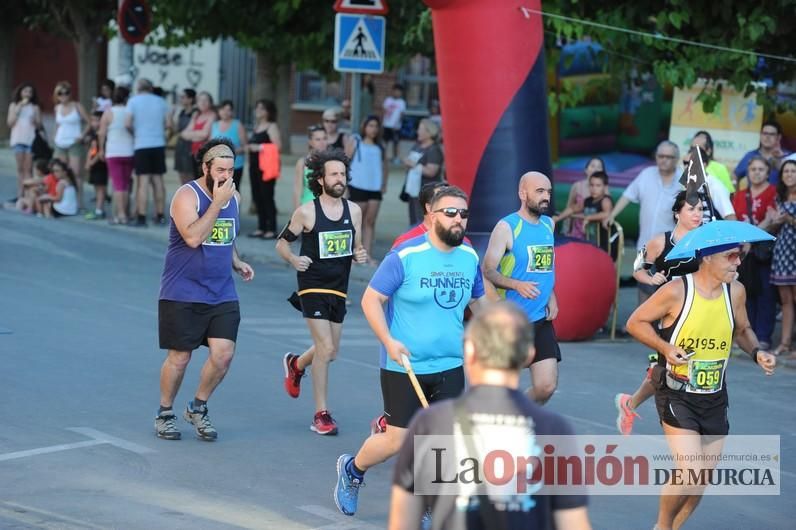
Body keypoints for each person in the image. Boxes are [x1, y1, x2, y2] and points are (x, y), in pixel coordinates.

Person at [333, 185, 487, 517]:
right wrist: (389, 341)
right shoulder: (405, 256)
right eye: (450, 213)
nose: (458, 219)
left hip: (450, 363)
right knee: (397, 440)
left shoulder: (469, 257)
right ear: (431, 216)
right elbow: (371, 300)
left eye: (463, 213)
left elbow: (481, 301)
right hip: (404, 364)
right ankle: (353, 470)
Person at [389, 301, 591, 530]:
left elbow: (402, 522)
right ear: (529, 355)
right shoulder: (554, 430)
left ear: (469, 351)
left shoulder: (431, 423)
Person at [626, 241, 776, 530]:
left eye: (739, 256)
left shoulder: (736, 292)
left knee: (702, 476)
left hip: (715, 396)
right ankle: (662, 526)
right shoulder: (677, 291)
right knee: (689, 468)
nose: (737, 262)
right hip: (677, 392)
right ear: (707, 258)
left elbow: (742, 329)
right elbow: (635, 322)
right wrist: (665, 347)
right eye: (730, 256)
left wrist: (758, 353)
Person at [155, 138, 254, 441]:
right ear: (206, 168)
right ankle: (165, 412)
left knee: (223, 355)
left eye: (230, 169)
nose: (226, 175)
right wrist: (216, 203)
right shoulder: (187, 197)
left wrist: (236, 260)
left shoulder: (233, 198)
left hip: (221, 290)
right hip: (182, 291)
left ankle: (198, 406)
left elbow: (227, 235)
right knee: (180, 357)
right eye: (220, 169)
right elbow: (194, 238)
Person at [277, 149, 367, 435]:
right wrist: (293, 259)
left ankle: (296, 364)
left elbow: (356, 246)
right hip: (312, 285)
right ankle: (321, 414)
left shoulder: (354, 211)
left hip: (339, 289)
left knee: (331, 351)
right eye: (334, 174)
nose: (340, 179)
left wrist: (359, 254)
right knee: (326, 349)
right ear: (320, 179)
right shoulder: (306, 212)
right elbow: (282, 243)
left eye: (343, 174)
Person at [615, 191, 703, 435]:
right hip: (670, 317)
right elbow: (637, 268)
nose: (697, 214)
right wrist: (651, 277)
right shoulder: (660, 242)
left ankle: (629, 404)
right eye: (691, 209)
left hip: (700, 313)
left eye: (700, 210)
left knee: (670, 371)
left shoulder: (706, 242)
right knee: (670, 370)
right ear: (677, 213)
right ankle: (679, 426)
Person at [483, 171, 560, 405]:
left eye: (548, 192)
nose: (546, 196)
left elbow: (543, 267)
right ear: (522, 193)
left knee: (546, 387)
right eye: (540, 191)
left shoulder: (549, 224)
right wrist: (516, 285)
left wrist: (552, 296)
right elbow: (488, 270)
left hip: (540, 319)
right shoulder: (507, 227)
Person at [606, 140, 682, 304]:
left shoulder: (684, 181)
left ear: (676, 159)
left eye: (668, 157)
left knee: (665, 296)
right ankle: (641, 327)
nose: (663, 160)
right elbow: (627, 195)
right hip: (645, 247)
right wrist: (612, 215)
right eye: (660, 156)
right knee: (643, 292)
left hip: (670, 249)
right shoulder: (646, 174)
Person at [732, 156, 778, 352]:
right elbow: (734, 222)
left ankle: (763, 336)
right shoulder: (740, 195)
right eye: (753, 169)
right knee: (745, 293)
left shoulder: (774, 193)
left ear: (768, 172)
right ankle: (745, 336)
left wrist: (752, 236)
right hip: (743, 252)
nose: (757, 173)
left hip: (764, 252)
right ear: (748, 173)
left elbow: (775, 220)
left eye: (761, 169)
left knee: (766, 295)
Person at [126, 78, 172, 226]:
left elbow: (127, 123)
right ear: (151, 88)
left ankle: (141, 215)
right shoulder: (161, 102)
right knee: (158, 180)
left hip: (141, 144)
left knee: (143, 181)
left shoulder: (133, 102)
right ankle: (160, 215)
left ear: (138, 88)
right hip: (158, 143)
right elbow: (169, 124)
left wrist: (135, 133)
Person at [761, 159, 795, 355]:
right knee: (785, 300)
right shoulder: (780, 197)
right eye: (786, 171)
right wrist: (774, 221)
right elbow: (774, 228)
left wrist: (787, 218)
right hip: (782, 252)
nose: (789, 174)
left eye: (793, 171)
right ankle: (785, 342)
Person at [345, 115, 387, 264]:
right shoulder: (356, 142)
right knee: (356, 222)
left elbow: (384, 166)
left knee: (370, 221)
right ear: (364, 127)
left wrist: (383, 184)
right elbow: (346, 162)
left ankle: (367, 254)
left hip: (374, 188)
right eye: (370, 126)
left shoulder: (380, 147)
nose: (373, 129)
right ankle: (353, 253)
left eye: (376, 126)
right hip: (357, 186)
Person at [98, 86, 134, 225]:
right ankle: (126, 212)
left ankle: (121, 215)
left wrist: (101, 149)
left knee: (118, 185)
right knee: (125, 184)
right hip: (129, 151)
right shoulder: (129, 112)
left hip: (113, 151)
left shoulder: (108, 113)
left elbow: (102, 133)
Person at [53, 81, 91, 209]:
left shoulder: (77, 106)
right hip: (60, 142)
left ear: (70, 94)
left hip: (75, 142)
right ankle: (63, 199)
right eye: (60, 93)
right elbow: (58, 124)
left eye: (66, 93)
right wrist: (54, 136)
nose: (63, 96)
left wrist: (82, 135)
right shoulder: (57, 108)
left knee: (75, 174)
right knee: (60, 173)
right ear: (57, 95)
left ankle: (79, 202)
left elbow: (89, 122)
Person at [247, 99, 282, 239]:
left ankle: (271, 228)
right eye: (257, 108)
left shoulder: (271, 126)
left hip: (266, 168)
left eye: (262, 108)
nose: (258, 111)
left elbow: (278, 146)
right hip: (254, 166)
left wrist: (259, 147)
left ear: (268, 111)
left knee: (267, 196)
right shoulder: (257, 126)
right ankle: (261, 227)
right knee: (257, 197)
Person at [404, 119, 444, 226]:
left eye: (421, 129)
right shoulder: (417, 146)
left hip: (427, 193)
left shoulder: (433, 150)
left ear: (429, 132)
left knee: (424, 221)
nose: (418, 132)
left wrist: (414, 165)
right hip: (413, 191)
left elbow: (431, 171)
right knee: (414, 220)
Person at [555, 157, 605, 239]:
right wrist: (566, 230)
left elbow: (607, 212)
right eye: (593, 166)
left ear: (603, 172)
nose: (596, 169)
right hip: (577, 230)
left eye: (599, 167)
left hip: (596, 232)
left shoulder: (604, 190)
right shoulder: (577, 186)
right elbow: (569, 207)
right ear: (586, 170)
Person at [8, 82, 42, 200]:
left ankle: (28, 194)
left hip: (30, 140)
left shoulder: (35, 107)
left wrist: (35, 122)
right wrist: (19, 108)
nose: (27, 94)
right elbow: (10, 123)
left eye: (30, 92)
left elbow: (39, 125)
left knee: (28, 168)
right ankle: (20, 193)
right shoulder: (14, 105)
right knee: (20, 168)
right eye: (25, 91)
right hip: (18, 139)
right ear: (20, 92)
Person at [733, 121, 790, 188]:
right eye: (765, 133)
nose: (767, 137)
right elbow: (735, 176)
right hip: (754, 197)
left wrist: (780, 160)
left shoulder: (787, 156)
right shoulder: (750, 156)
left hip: (779, 197)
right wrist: (735, 194)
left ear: (779, 137)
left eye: (772, 134)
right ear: (760, 135)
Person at [210, 100, 248, 189]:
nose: (225, 112)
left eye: (228, 110)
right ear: (219, 111)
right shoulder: (214, 125)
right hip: (217, 166)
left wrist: (230, 151)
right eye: (223, 109)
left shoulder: (238, 125)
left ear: (232, 112)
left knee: (233, 191)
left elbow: (245, 147)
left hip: (235, 166)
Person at [294, 125, 328, 209]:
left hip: (327, 209)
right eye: (318, 139)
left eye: (324, 138)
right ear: (310, 142)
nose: (322, 142)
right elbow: (298, 190)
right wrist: (297, 213)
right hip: (307, 208)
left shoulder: (332, 162)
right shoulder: (302, 163)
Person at [84, 111, 108, 220]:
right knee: (96, 187)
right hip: (94, 163)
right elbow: (92, 149)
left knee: (101, 188)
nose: (94, 123)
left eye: (97, 120)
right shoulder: (94, 134)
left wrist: (91, 162)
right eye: (93, 120)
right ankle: (98, 208)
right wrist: (88, 161)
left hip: (100, 164)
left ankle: (99, 210)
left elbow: (101, 152)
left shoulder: (103, 134)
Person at [181, 91, 217, 164]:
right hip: (194, 152)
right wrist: (196, 137)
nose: (202, 102)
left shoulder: (213, 115)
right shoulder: (196, 115)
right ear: (197, 103)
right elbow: (183, 133)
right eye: (200, 100)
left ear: (210, 103)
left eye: (205, 100)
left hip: (207, 154)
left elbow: (204, 134)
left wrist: (191, 135)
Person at [174, 88, 197, 184]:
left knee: (191, 176)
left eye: (183, 97)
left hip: (190, 147)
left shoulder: (195, 113)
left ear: (190, 99)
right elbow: (175, 130)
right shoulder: (181, 112)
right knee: (182, 175)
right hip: (180, 146)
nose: (180, 99)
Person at [382, 83, 406, 164]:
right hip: (387, 125)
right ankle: (383, 156)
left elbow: (402, 114)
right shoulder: (388, 100)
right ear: (393, 91)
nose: (397, 93)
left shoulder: (402, 102)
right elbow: (384, 111)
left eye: (399, 92)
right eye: (396, 91)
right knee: (385, 142)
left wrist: (398, 123)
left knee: (396, 143)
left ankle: (395, 157)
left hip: (396, 127)